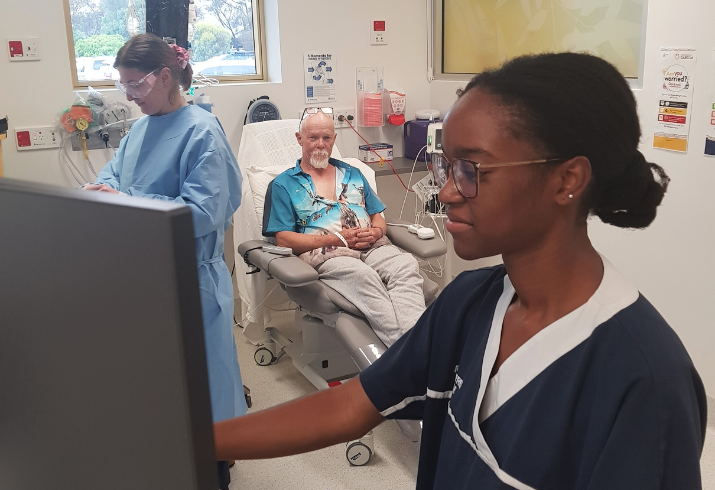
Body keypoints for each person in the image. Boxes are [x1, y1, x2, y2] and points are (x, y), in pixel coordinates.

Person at [214, 52, 708, 489]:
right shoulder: (470, 302)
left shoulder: (644, 380)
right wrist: (202, 441)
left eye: (470, 169)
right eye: (444, 167)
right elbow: (349, 407)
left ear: (566, 180)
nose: (447, 191)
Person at [82, 33, 246, 489]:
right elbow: (111, 177)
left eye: (135, 85)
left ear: (166, 76)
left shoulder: (201, 132)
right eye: (124, 86)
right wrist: (99, 194)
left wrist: (126, 199)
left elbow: (205, 211)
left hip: (191, 282)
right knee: (155, 391)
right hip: (144, 280)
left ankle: (213, 472)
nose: (129, 97)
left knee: (202, 397)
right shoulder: (138, 129)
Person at [261, 108, 426, 347]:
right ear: (300, 139)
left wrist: (377, 231)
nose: (320, 144)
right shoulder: (284, 184)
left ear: (334, 140)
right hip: (329, 253)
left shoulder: (353, 174)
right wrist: (336, 239)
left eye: (326, 138)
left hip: (373, 245)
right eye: (312, 138)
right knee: (363, 277)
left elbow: (378, 217)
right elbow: (284, 240)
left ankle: (420, 343)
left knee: (405, 265)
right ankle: (407, 351)